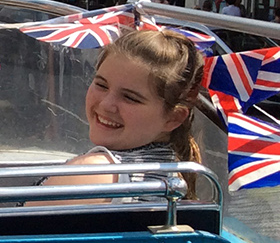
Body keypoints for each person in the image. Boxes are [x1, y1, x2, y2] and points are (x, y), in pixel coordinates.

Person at [41, 30, 205, 199]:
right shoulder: (172, 173)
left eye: (130, 98)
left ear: (174, 118)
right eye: (101, 85)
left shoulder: (94, 172)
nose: (106, 105)